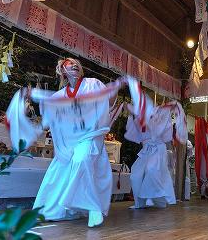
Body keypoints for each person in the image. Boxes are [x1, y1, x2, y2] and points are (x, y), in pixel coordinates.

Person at [7, 58, 124, 227]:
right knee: (59, 172)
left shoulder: (93, 83)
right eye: (70, 63)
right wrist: (32, 95)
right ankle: (54, 210)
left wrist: (114, 89)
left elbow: (108, 101)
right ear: (62, 71)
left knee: (81, 160)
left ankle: (93, 207)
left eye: (76, 63)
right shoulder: (59, 96)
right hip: (70, 142)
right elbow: (48, 117)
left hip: (91, 136)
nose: (75, 64)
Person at [125, 76, 187, 209]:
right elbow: (137, 136)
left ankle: (158, 198)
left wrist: (173, 106)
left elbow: (169, 110)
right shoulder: (137, 117)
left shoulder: (158, 113)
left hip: (158, 149)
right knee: (135, 174)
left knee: (152, 170)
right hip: (146, 150)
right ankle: (139, 203)